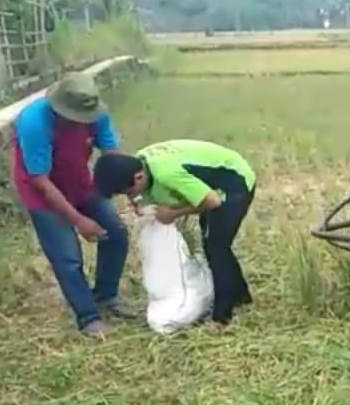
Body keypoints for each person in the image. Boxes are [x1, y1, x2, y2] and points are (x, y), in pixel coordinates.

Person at [10, 71, 135, 337]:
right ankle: (88, 317)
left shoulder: (96, 113)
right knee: (67, 256)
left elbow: (111, 155)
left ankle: (106, 296)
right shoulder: (34, 121)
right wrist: (79, 221)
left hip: (80, 181)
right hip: (42, 192)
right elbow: (41, 181)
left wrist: (125, 189)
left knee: (116, 232)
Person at [93, 140, 257, 327]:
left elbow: (212, 201)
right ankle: (241, 296)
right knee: (213, 240)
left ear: (138, 177)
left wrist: (173, 213)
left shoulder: (167, 174)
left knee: (216, 246)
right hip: (214, 183)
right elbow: (140, 193)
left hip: (235, 181)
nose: (129, 197)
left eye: (129, 192)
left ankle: (222, 316)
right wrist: (139, 203)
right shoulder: (136, 163)